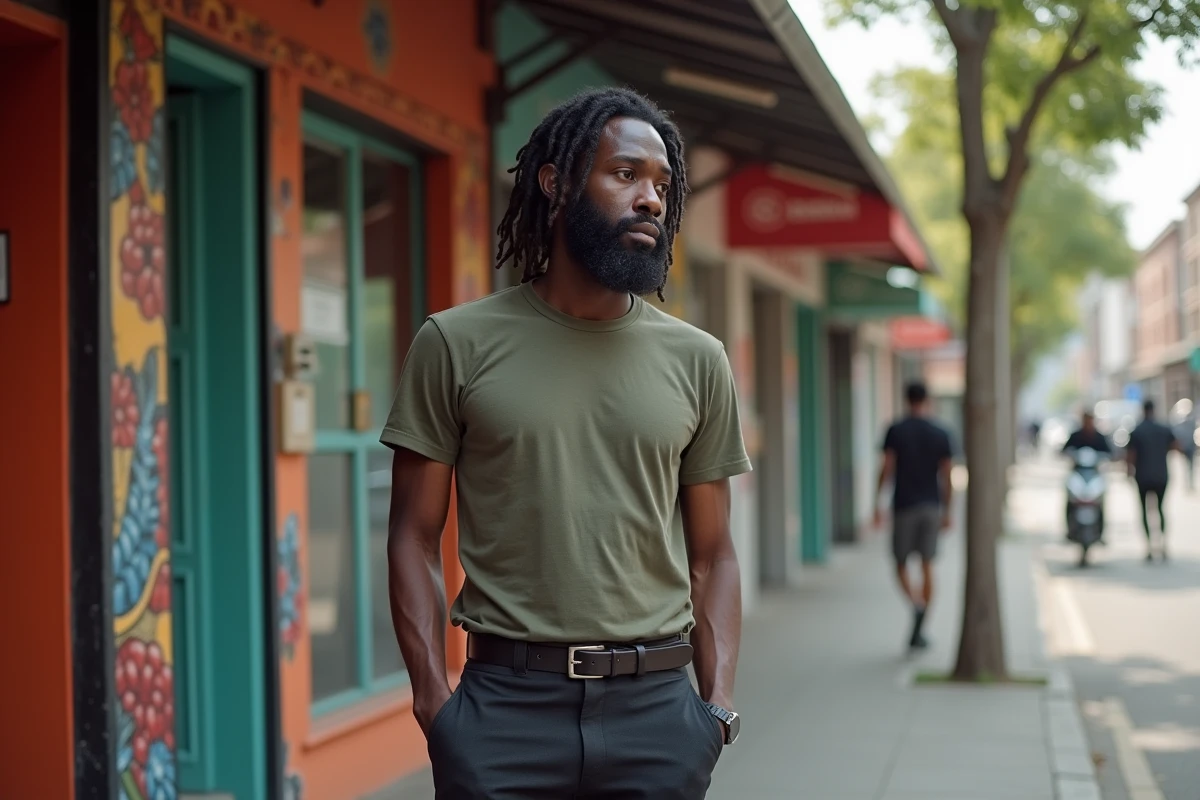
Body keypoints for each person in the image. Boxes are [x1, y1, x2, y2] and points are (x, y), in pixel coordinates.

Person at [381, 88, 750, 799]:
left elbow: (714, 554)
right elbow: (412, 536)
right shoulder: (454, 344)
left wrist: (717, 708)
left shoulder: (698, 360)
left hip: (658, 716)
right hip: (502, 712)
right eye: (625, 174)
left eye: (662, 186)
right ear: (555, 182)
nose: (650, 199)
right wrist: (436, 703)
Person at [874, 382, 954, 651]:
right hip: (931, 506)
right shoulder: (940, 432)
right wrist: (948, 511)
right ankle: (923, 620)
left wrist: (877, 503)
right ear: (927, 400)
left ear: (906, 399)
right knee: (928, 564)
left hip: (904, 506)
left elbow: (886, 468)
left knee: (900, 563)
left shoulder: (895, 430)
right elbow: (947, 476)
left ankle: (916, 605)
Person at [1126, 400, 1180, 561]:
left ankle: (1149, 546)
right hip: (1161, 476)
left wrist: (1128, 472)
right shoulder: (1163, 429)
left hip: (1142, 476)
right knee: (1161, 510)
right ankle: (1163, 544)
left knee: (1144, 511)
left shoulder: (1137, 431)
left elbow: (1131, 455)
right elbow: (1177, 446)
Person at [1061, 411, 1113, 540]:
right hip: (1078, 473)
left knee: (1101, 501)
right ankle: (1069, 527)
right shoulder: (1076, 436)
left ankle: (1100, 531)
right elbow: (1064, 450)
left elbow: (1109, 452)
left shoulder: (1099, 437)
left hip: (1094, 474)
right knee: (1069, 499)